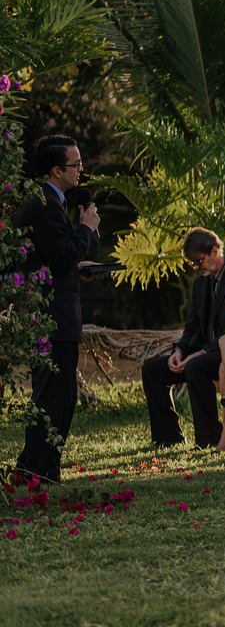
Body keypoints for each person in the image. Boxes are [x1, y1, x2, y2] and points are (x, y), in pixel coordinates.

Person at [13, 135, 100, 484]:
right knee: (54, 398)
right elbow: (62, 255)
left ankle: (37, 469)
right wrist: (87, 229)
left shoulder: (48, 200)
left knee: (56, 396)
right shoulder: (46, 204)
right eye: (75, 164)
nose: (81, 170)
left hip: (51, 315)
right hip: (51, 318)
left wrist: (77, 265)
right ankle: (37, 471)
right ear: (55, 170)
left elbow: (50, 258)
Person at [141, 228, 225, 449]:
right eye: (193, 263)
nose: (196, 267)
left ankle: (210, 438)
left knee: (195, 366)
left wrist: (199, 354)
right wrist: (179, 351)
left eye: (198, 261)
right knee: (152, 370)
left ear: (214, 251)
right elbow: (192, 326)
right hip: (200, 352)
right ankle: (168, 437)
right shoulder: (200, 284)